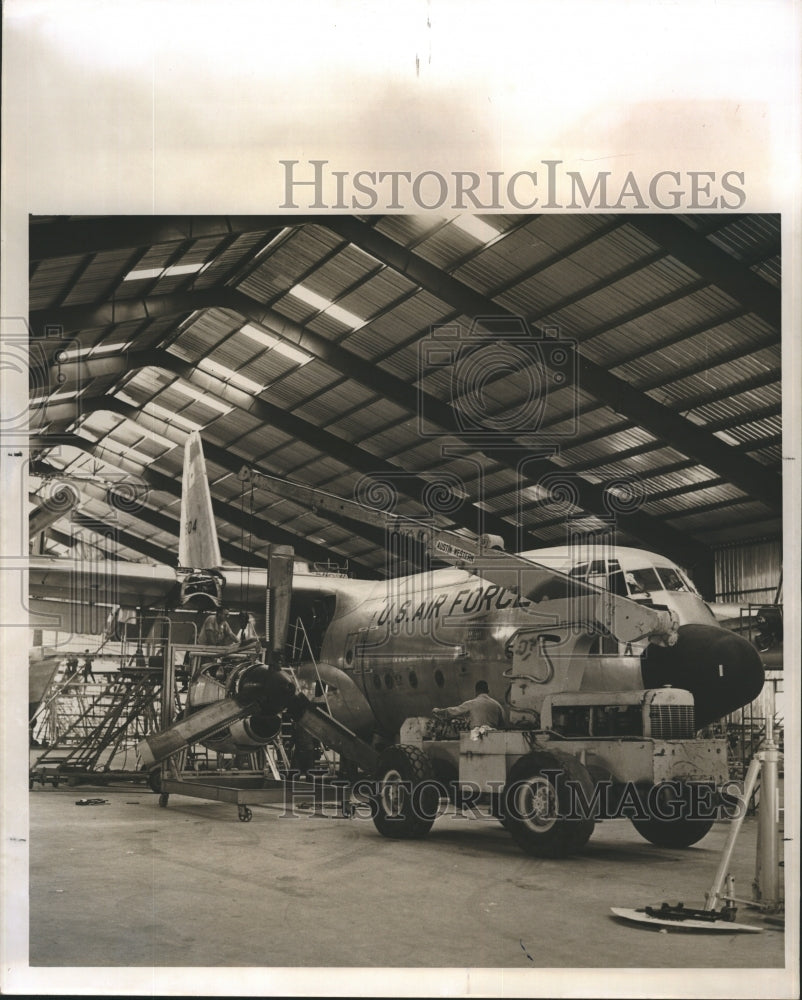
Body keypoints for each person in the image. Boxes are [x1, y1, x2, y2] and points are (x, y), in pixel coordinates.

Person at [432, 680, 505, 729]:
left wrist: (438, 711)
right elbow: (502, 723)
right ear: (488, 691)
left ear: (476, 691)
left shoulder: (471, 704)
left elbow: (453, 711)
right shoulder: (497, 705)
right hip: (493, 737)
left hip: (476, 737)